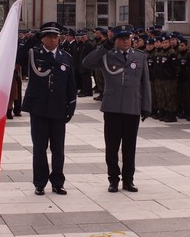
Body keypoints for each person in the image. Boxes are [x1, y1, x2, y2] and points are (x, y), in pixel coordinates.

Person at [83, 25, 151, 193]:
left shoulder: (140, 56)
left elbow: (145, 83)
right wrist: (105, 45)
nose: (125, 42)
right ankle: (113, 179)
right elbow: (87, 63)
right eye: (121, 39)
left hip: (132, 107)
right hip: (112, 107)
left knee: (130, 147)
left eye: (127, 39)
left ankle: (128, 180)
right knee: (112, 147)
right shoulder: (108, 55)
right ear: (116, 40)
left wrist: (146, 106)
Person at [20, 22, 77, 195]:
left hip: (59, 108)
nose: (53, 40)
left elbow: (71, 84)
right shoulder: (33, 54)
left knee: (58, 149)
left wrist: (71, 105)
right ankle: (40, 182)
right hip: (39, 108)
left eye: (55, 37)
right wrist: (30, 41)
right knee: (39, 148)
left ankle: (58, 182)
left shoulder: (66, 57)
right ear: (42, 39)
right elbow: (16, 57)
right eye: (49, 37)